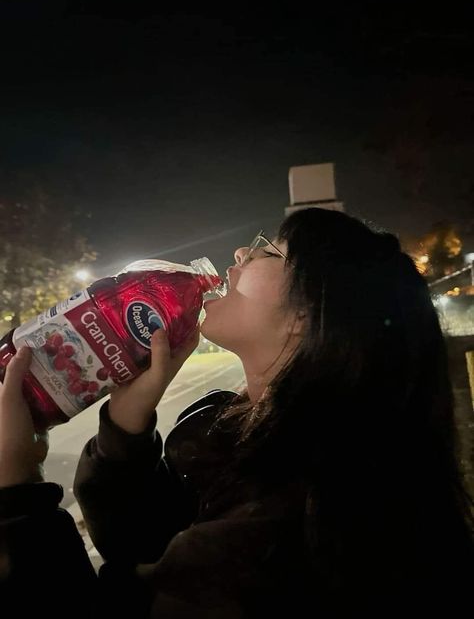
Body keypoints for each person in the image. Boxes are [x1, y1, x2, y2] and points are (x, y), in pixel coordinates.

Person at [0, 208, 473, 618]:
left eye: (269, 251)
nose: (241, 255)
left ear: (314, 312)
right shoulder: (230, 429)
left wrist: (16, 490)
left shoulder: (294, 526)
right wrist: (128, 422)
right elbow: (142, 549)